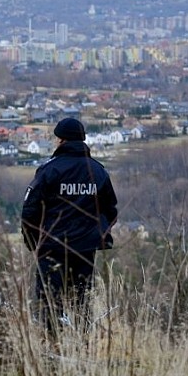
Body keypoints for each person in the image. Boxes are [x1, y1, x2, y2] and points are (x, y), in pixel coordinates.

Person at [21, 117, 118, 337]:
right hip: (85, 250)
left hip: (51, 249)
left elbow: (29, 212)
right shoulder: (98, 172)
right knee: (82, 303)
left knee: (49, 305)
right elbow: (110, 210)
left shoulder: (48, 171)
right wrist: (98, 235)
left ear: (60, 140)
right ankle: (82, 347)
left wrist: (34, 243)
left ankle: (52, 348)